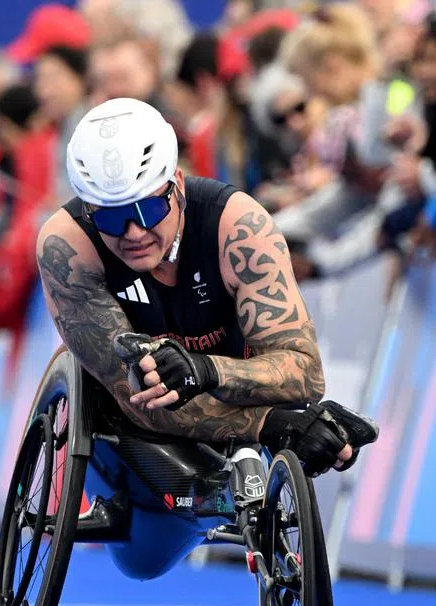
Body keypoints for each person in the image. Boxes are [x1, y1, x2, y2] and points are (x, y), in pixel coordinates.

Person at [35, 97, 376, 482]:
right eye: (112, 217)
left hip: (231, 377)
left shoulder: (237, 227)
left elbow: (306, 375)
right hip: (131, 428)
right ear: (89, 210)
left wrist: (206, 370)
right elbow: (141, 400)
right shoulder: (67, 247)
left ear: (176, 185)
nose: (134, 233)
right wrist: (271, 424)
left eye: (148, 211)